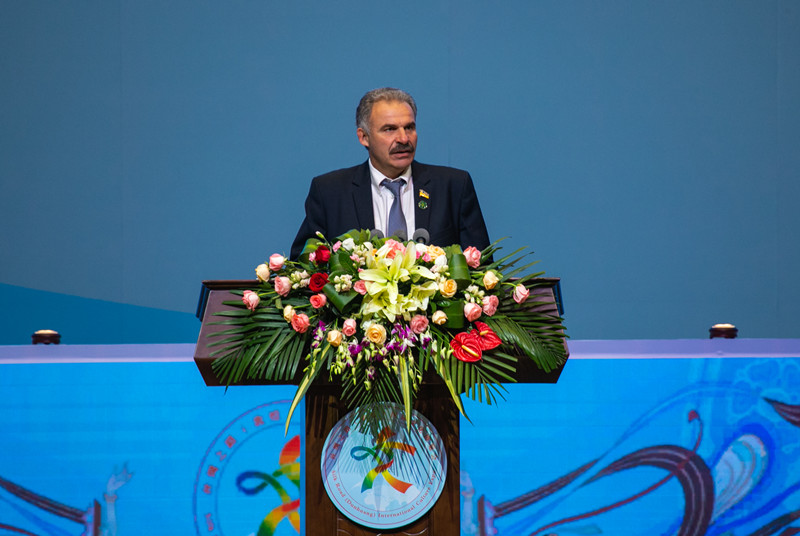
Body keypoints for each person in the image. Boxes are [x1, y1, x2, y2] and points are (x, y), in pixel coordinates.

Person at [290, 88, 490, 258]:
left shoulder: (453, 187)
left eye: (409, 127)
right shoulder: (330, 192)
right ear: (364, 137)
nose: (403, 138)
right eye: (389, 129)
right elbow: (304, 268)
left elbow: (482, 270)